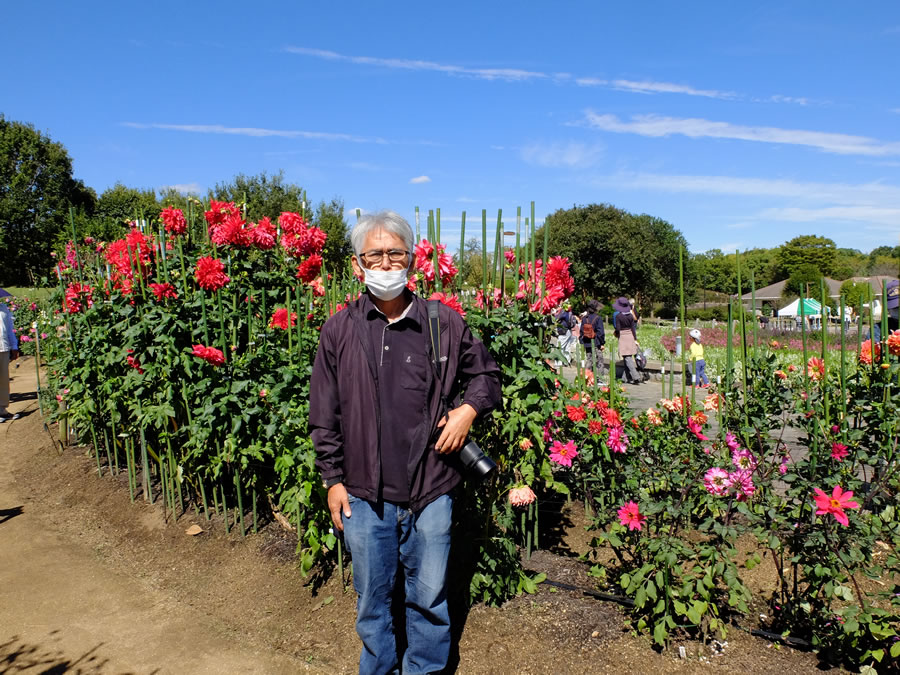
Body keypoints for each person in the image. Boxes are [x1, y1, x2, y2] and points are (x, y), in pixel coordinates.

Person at [309, 210, 502, 675]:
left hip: (431, 489)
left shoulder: (444, 323)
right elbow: (324, 415)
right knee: (372, 605)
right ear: (357, 266)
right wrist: (333, 480)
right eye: (374, 255)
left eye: (395, 253)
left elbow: (488, 376)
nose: (385, 262)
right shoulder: (339, 331)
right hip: (363, 495)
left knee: (429, 600)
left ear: (412, 261)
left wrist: (468, 410)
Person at [0, 301, 20, 422]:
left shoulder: (3, 308)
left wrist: (14, 346)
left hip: (4, 347)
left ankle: (2, 410)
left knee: (3, 380)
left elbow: (9, 328)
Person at [613, 297, 641, 384]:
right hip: (630, 335)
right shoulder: (630, 316)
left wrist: (616, 333)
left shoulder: (618, 316)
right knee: (627, 357)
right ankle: (625, 378)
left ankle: (636, 376)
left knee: (627, 357)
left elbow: (618, 328)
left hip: (623, 336)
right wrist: (635, 339)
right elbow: (633, 328)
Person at [580, 299, 606, 376]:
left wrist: (582, 342)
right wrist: (602, 343)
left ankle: (586, 376)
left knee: (589, 359)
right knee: (599, 360)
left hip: (587, 342)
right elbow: (600, 332)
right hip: (596, 342)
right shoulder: (598, 318)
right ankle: (600, 377)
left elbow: (581, 331)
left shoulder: (584, 318)